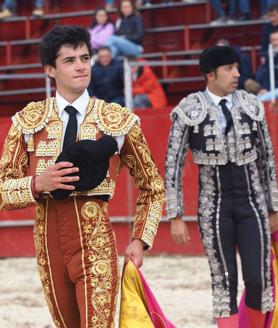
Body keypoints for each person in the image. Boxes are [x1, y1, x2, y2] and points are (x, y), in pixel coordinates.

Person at [0, 25, 164, 327]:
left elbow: (152, 185)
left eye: (84, 58)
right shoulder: (27, 121)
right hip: (48, 245)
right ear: (50, 69)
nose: (80, 66)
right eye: (70, 60)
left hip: (95, 240)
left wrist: (140, 239)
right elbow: (2, 190)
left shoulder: (117, 120)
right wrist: (37, 183)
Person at [165, 46, 278, 327]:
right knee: (224, 280)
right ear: (210, 74)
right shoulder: (189, 110)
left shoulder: (252, 106)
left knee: (257, 278)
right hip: (214, 206)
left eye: (237, 67)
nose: (237, 74)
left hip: (252, 203)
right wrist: (176, 216)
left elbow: (268, 160)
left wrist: (274, 207)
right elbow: (172, 164)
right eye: (229, 69)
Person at [256, 26, 278, 101]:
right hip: (272, 89)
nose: (276, 42)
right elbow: (265, 76)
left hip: (275, 90)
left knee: (263, 98)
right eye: (273, 40)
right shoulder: (270, 55)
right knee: (257, 98)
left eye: (277, 39)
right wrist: (264, 88)